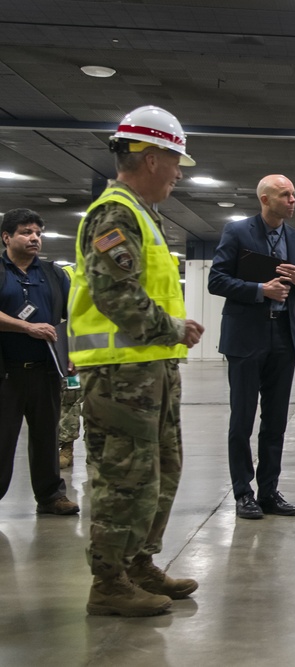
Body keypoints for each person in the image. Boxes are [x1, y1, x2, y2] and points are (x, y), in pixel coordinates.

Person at [68, 105, 204, 616]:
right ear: (150, 158)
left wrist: (172, 334)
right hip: (120, 376)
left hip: (151, 370)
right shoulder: (114, 214)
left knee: (160, 471)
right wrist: (172, 327)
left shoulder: (141, 215)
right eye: (175, 162)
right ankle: (108, 582)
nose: (176, 174)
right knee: (123, 477)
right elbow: (115, 295)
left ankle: (138, 562)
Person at [208, 174, 295, 520]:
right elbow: (216, 280)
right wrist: (258, 290)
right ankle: (243, 493)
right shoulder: (237, 232)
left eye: (294, 195)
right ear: (265, 199)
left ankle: (269, 491)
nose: (293, 200)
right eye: (286, 195)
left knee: (276, 422)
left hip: (282, 337)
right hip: (246, 337)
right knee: (242, 420)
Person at [0, 208, 79, 515]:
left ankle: (50, 496)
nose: (34, 238)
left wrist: (72, 352)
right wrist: (26, 327)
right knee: (3, 439)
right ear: (7, 237)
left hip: (46, 371)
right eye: (26, 232)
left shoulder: (52, 273)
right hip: (6, 373)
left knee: (47, 436)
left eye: (38, 233)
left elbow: (72, 316)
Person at [58, 264, 83, 469]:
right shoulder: (66, 274)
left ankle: (96, 449)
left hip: (103, 353)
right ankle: (66, 448)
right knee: (70, 400)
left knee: (100, 404)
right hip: (73, 352)